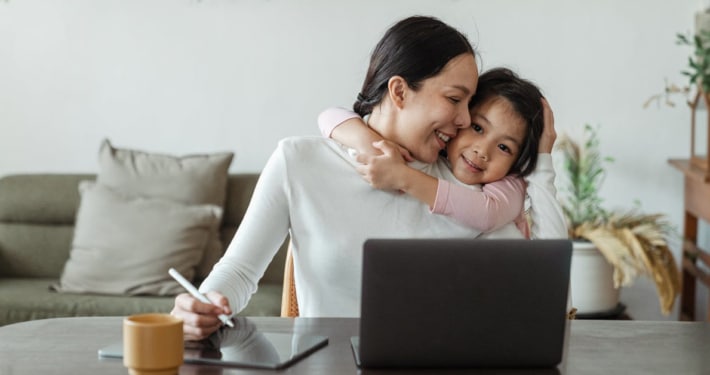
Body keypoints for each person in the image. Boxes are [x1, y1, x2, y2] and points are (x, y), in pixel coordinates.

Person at [171, 15, 566, 341]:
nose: (464, 120)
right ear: (399, 91)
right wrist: (203, 303)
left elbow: (546, 290)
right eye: (453, 99)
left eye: (469, 104)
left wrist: (543, 161)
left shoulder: (472, 189)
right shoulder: (299, 162)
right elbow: (239, 272)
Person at [317, 68, 556, 238]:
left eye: (504, 147)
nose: (482, 151)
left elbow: (487, 213)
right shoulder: (432, 155)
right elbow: (329, 115)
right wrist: (370, 145)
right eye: (477, 127)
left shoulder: (510, 183)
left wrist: (403, 177)